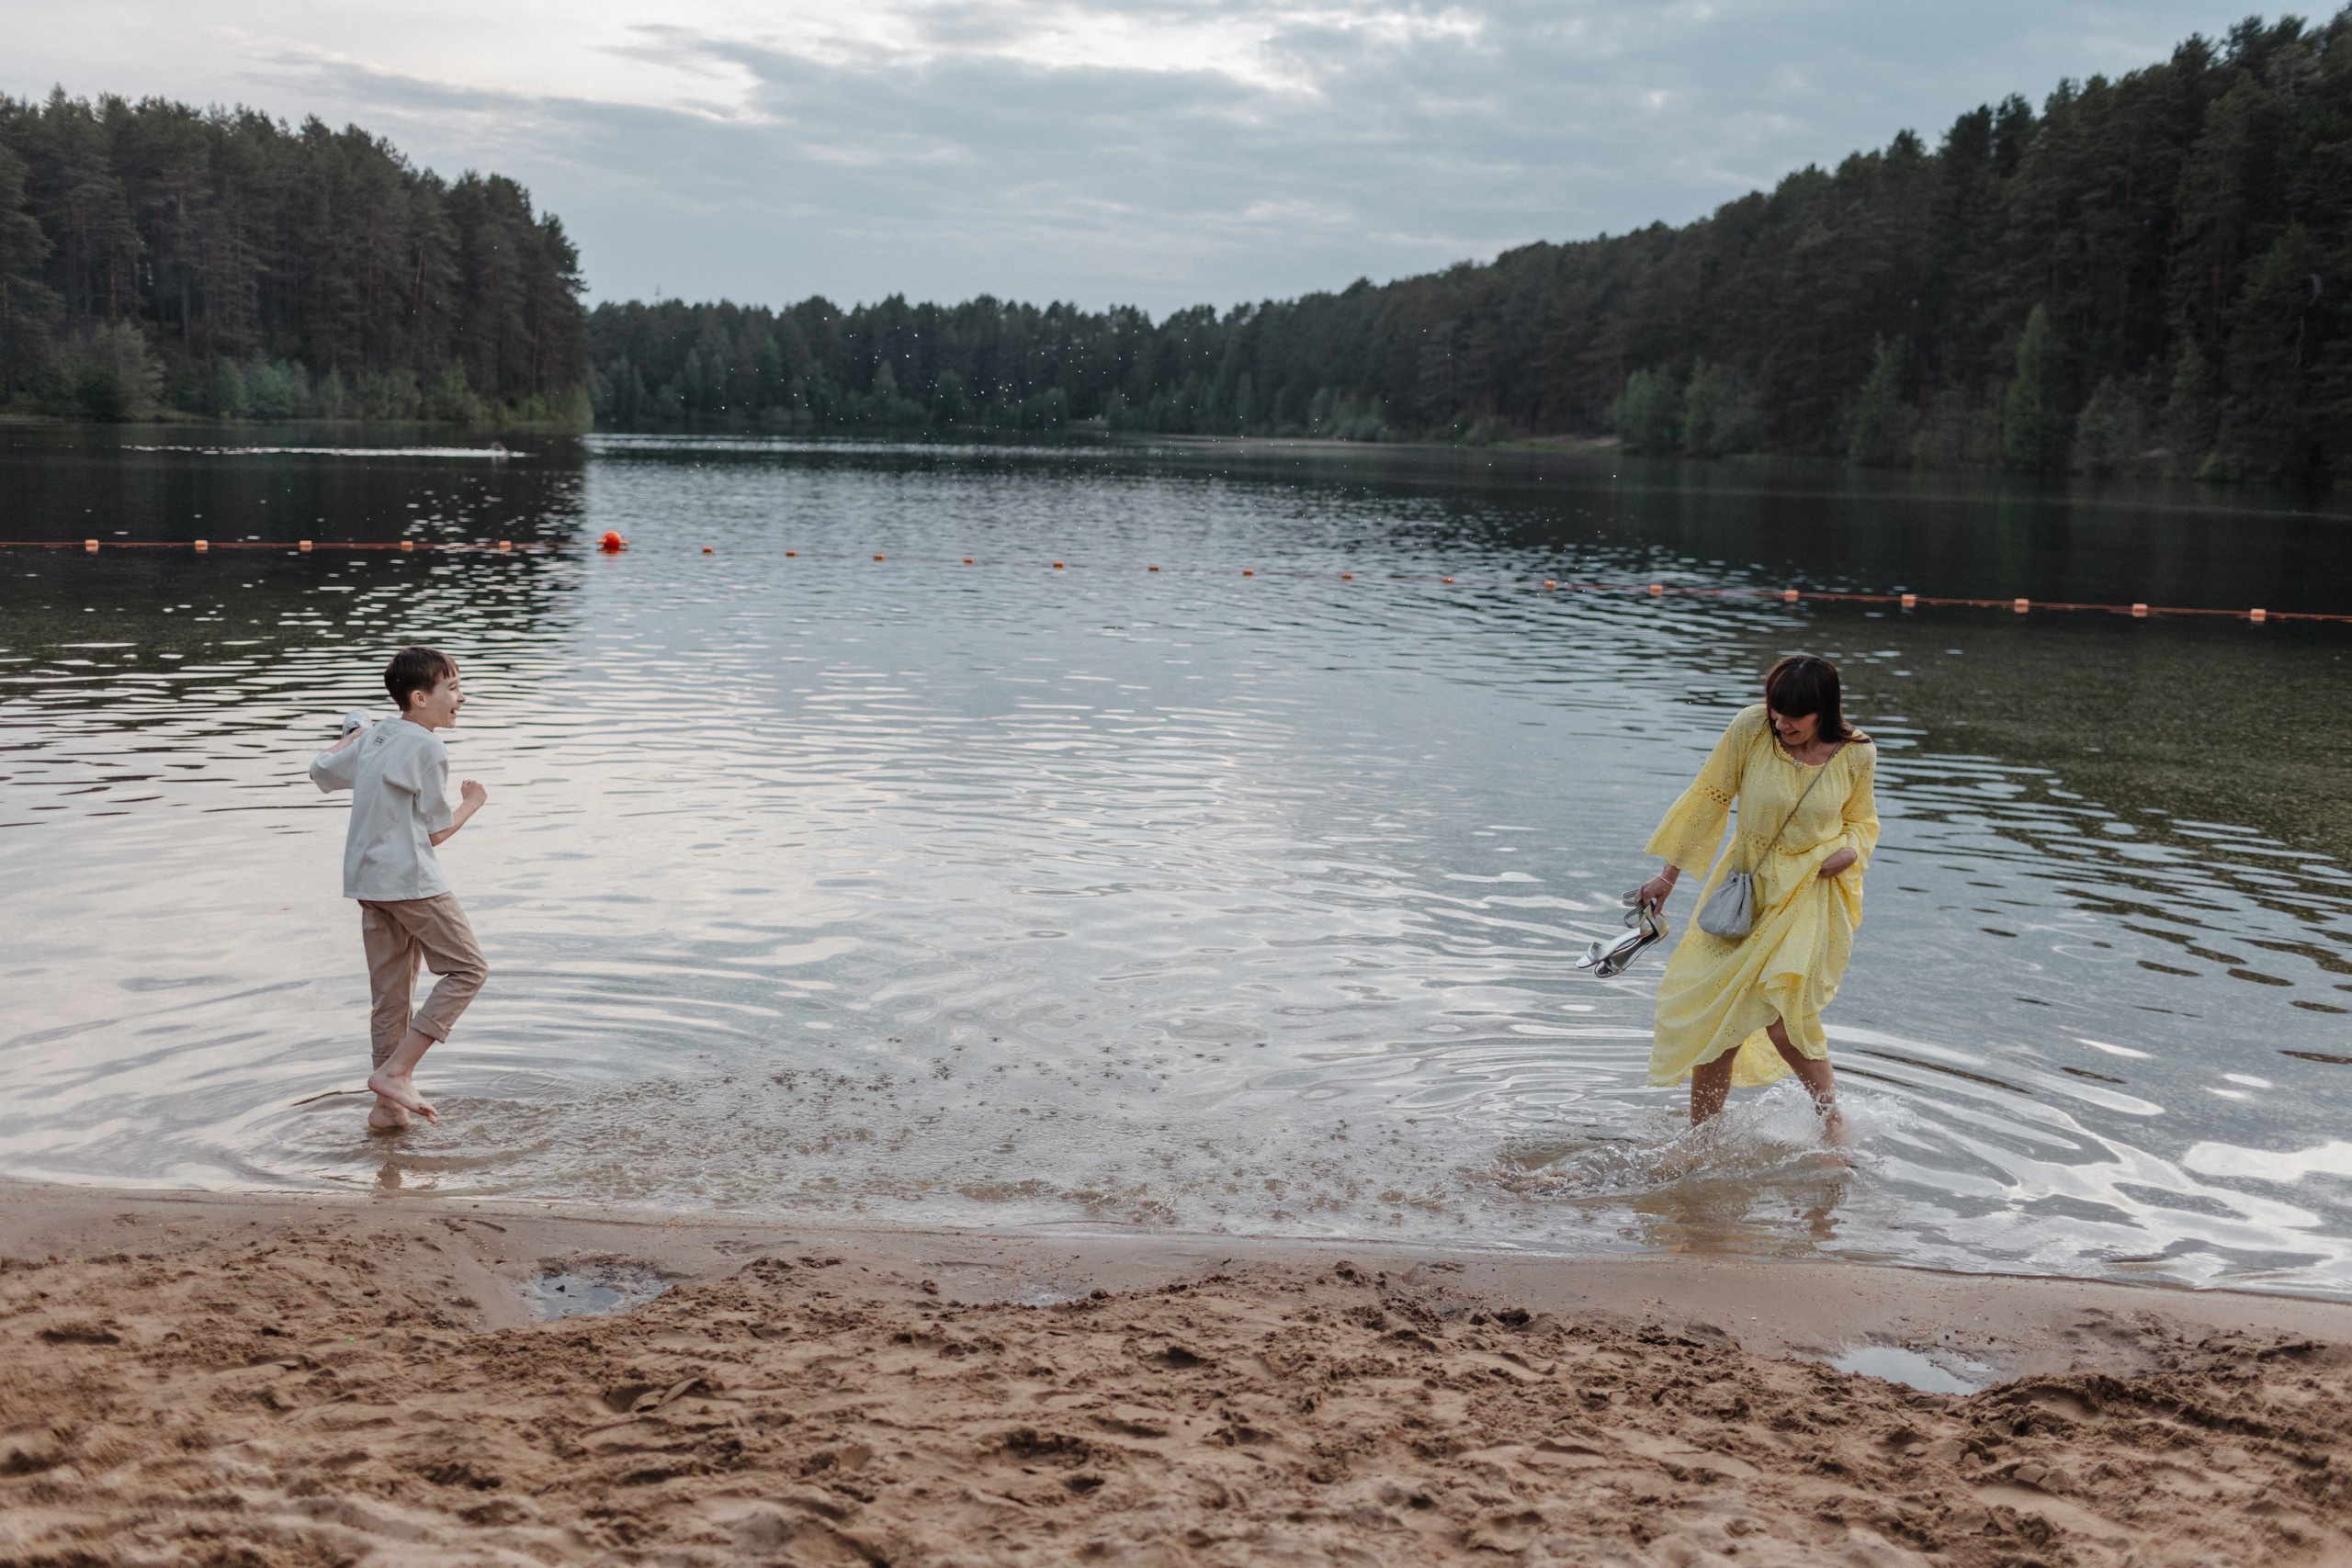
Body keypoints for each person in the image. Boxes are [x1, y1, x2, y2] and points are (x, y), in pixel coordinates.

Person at [1630, 654, 1879, 1144]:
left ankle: (1832, 1120)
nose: (1780, 723)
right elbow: (1708, 800)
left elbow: (1862, 821)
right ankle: (1703, 1137)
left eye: (1794, 717)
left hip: (1809, 892)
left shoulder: (1856, 752)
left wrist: (1850, 851)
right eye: (1775, 710)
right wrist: (1667, 878)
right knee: (1714, 1019)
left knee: (1786, 1024)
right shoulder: (1751, 727)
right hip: (1745, 889)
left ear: (1823, 711)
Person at [309, 648, 490, 1129]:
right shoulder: (428, 747)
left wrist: (353, 735)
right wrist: (471, 803)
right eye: (452, 688)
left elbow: (320, 771)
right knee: (469, 970)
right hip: (410, 881)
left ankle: (387, 1112)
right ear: (419, 697)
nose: (462, 698)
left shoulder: (377, 737)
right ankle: (397, 1072)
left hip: (368, 882)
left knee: (390, 998)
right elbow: (434, 832)